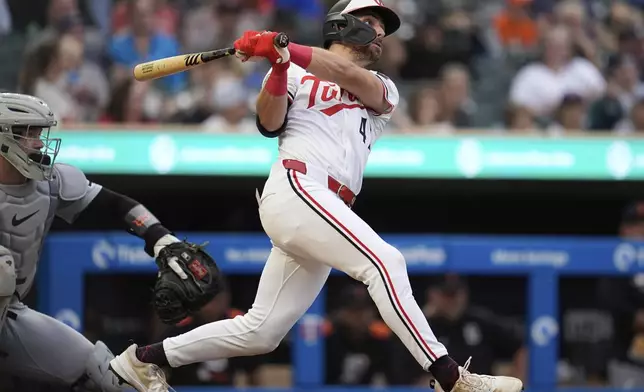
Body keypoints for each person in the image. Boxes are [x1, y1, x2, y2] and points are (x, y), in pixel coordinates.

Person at [109, 2, 525, 392]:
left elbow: (351, 77)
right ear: (342, 25)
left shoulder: (383, 86)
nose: (380, 34)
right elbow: (269, 123)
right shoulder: (293, 74)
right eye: (372, 23)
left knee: (262, 331)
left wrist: (285, 48)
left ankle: (143, 359)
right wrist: (276, 66)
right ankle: (452, 378)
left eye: (384, 29)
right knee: (385, 262)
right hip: (298, 187)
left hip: (326, 207)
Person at [0, 92, 192, 391]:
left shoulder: (51, 182)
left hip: (8, 318)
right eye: (27, 133)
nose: (38, 143)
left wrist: (160, 238)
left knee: (109, 374)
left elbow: (118, 206)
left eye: (39, 133)